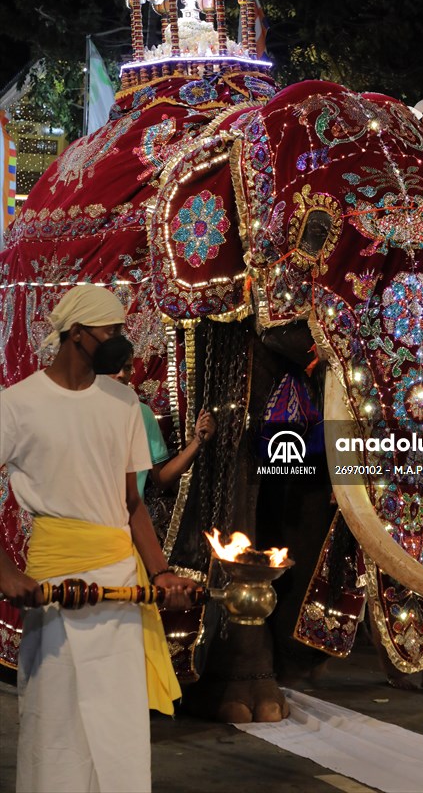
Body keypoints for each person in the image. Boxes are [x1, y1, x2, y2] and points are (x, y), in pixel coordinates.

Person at [0, 284, 197, 793]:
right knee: (55, 720)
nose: (120, 341)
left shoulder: (123, 401)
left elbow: (131, 504)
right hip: (55, 581)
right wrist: (5, 570)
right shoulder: (17, 405)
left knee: (118, 728)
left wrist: (161, 571)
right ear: (78, 335)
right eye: (111, 330)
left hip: (118, 584)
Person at [94, 334, 216, 497]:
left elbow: (161, 478)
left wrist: (197, 442)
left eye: (127, 367)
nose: (121, 374)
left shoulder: (142, 414)